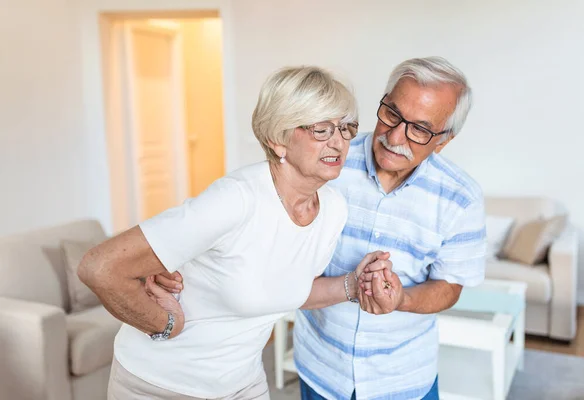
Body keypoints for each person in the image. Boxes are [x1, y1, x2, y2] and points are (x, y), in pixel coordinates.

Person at [78, 66, 388, 400]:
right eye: (322, 129)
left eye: (346, 128)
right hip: (160, 384)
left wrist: (354, 285)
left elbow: (288, 289)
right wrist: (165, 323)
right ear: (278, 138)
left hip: (243, 384)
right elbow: (100, 267)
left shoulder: (333, 208)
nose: (339, 142)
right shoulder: (235, 200)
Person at [293, 57, 486, 400]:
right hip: (322, 366)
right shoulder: (325, 162)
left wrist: (401, 299)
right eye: (392, 114)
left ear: (444, 140)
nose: (395, 136)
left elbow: (449, 286)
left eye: (421, 129)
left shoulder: (462, 199)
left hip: (403, 379)